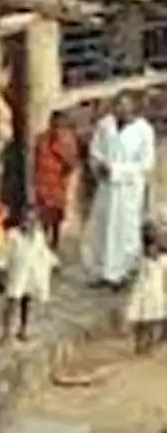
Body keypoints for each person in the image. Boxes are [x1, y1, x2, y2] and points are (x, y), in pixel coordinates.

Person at [82, 92, 157, 287]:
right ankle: (99, 270)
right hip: (106, 186)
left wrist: (118, 170)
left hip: (128, 189)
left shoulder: (144, 130)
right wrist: (99, 166)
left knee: (125, 229)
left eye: (125, 105)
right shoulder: (105, 125)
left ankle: (122, 272)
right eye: (118, 105)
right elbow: (95, 150)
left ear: (133, 107)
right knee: (101, 227)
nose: (120, 109)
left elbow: (146, 163)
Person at [2, 208, 57, 343]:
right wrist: (2, 268)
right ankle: (7, 332)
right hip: (17, 273)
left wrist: (53, 262)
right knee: (12, 302)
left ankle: (23, 329)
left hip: (31, 274)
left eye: (33, 221)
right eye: (27, 220)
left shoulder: (38, 236)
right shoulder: (13, 236)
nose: (29, 224)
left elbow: (43, 251)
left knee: (26, 303)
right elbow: (6, 254)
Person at [33, 110, 80, 249]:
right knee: (43, 218)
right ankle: (42, 246)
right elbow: (35, 161)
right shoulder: (41, 140)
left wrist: (61, 150)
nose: (57, 127)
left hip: (57, 184)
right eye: (55, 124)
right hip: (42, 183)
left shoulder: (67, 141)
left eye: (60, 125)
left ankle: (55, 244)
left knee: (56, 218)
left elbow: (72, 163)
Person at [125, 225, 167, 355]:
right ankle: (139, 343)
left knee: (152, 321)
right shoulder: (139, 260)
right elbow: (131, 273)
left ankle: (149, 344)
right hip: (141, 294)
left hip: (155, 295)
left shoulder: (163, 262)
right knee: (140, 321)